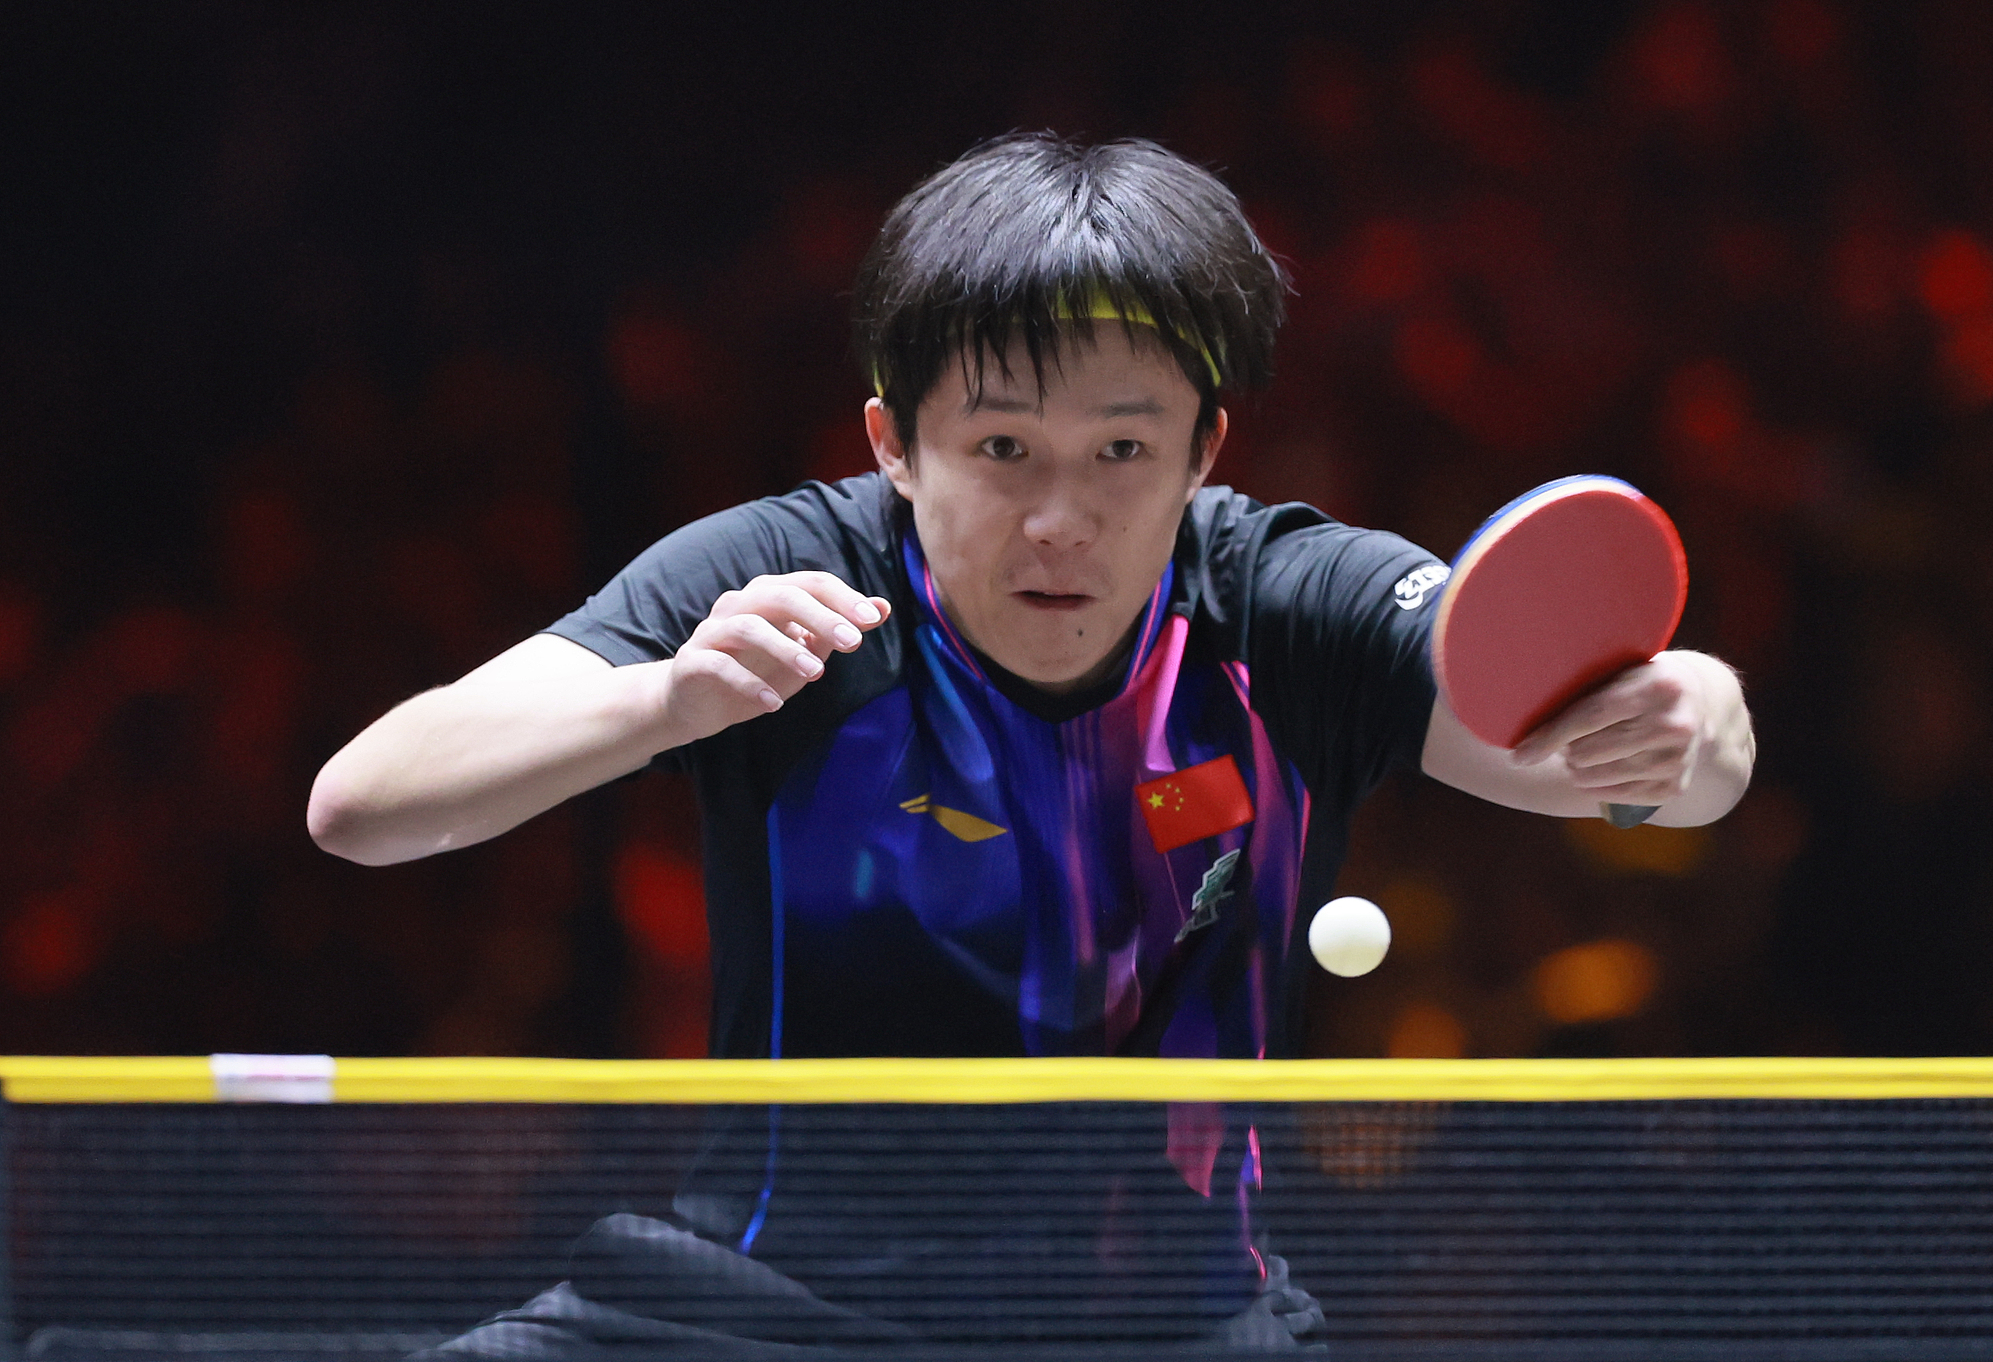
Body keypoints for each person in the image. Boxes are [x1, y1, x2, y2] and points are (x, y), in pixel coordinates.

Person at [309, 134, 1754, 1354]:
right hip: (754, 1311)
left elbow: (1604, 759)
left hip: (1175, 1327)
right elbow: (365, 804)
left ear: (1204, 450)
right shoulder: (782, 580)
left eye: (1123, 452)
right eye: (1000, 450)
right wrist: (663, 702)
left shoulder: (1281, 605)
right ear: (892, 439)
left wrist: (1687, 730)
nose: (1059, 518)